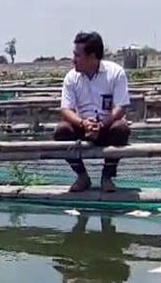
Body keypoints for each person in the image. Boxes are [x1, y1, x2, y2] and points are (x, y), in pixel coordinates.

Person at [54, 31, 132, 193]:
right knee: (61, 130)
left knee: (121, 129)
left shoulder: (115, 73)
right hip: (82, 126)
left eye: (78, 55)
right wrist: (83, 123)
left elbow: (121, 107)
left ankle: (107, 176)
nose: (73, 59)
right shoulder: (71, 78)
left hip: (106, 126)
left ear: (92, 56)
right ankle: (82, 176)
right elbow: (66, 109)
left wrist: (102, 125)